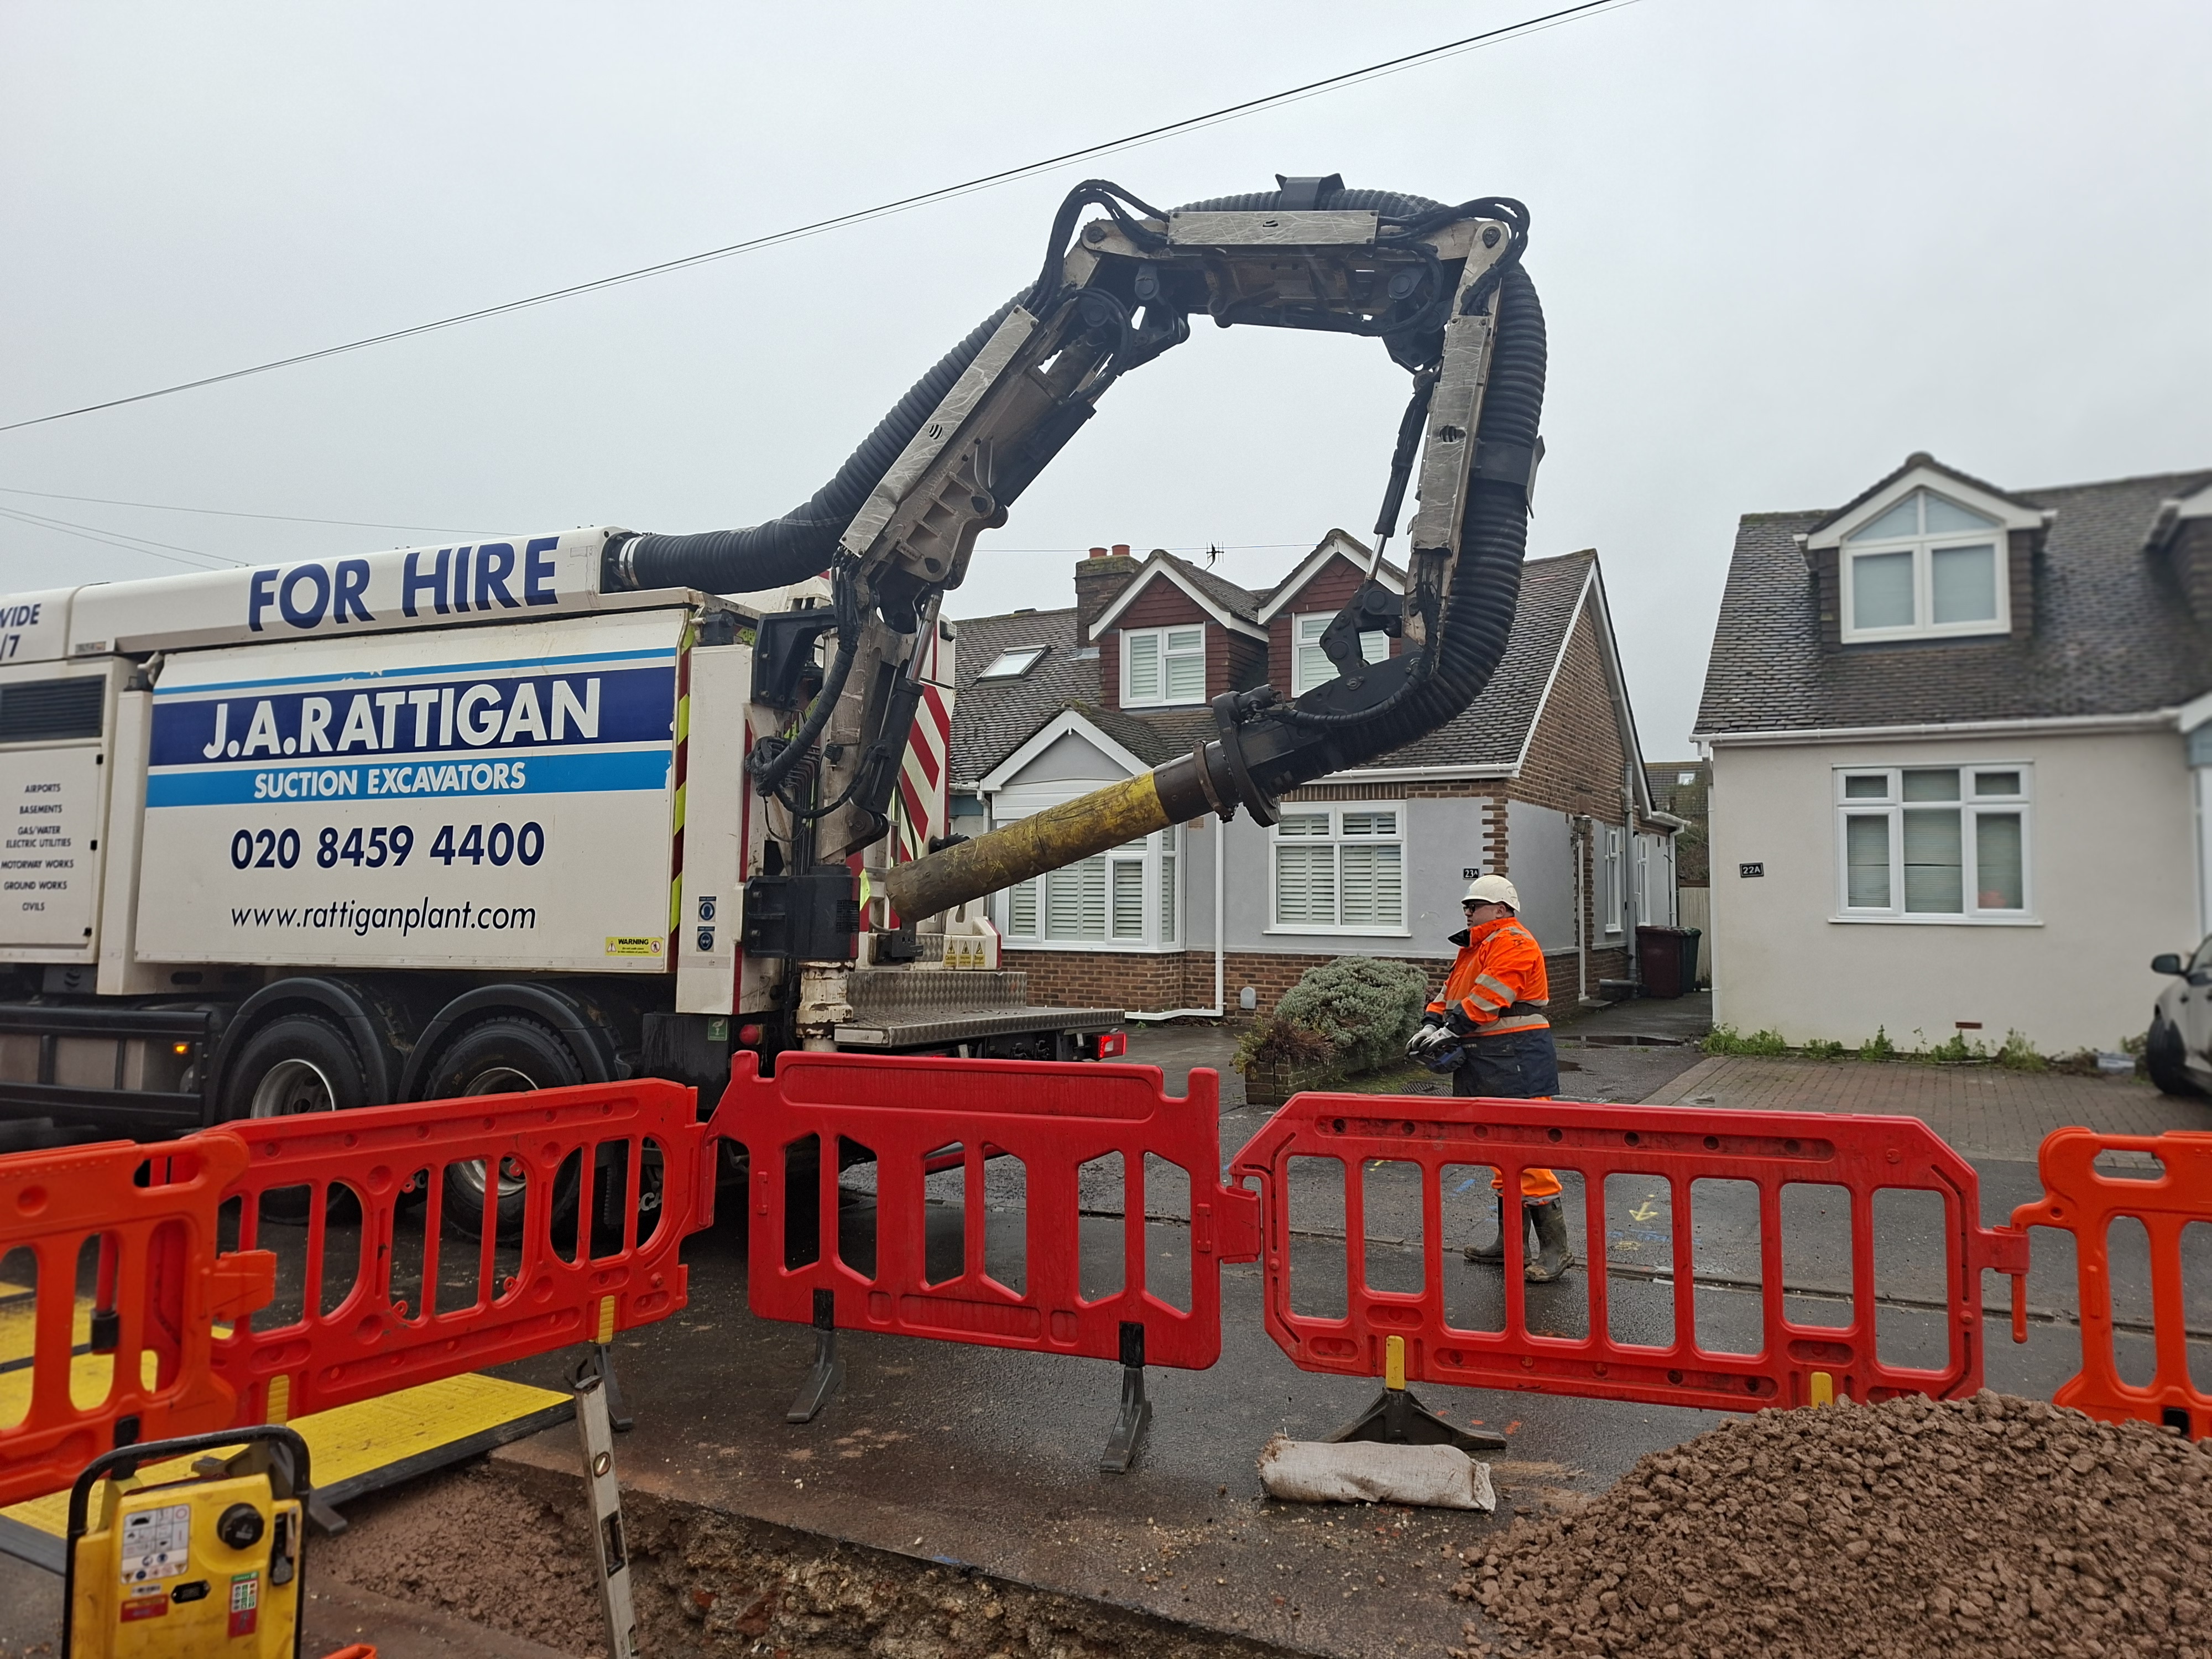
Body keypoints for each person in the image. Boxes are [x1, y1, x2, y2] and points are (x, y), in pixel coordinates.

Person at [1406, 874, 1574, 1282]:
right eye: (1466, 904)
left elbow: (1489, 996)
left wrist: (1451, 1028)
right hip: (1491, 1058)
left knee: (1529, 1153)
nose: (1467, 910)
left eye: (1476, 904)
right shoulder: (1476, 946)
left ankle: (1556, 1250)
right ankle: (1510, 1247)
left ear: (1501, 909)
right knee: (1501, 1153)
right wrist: (1432, 1022)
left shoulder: (1514, 942)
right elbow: (1451, 991)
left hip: (1518, 1057)